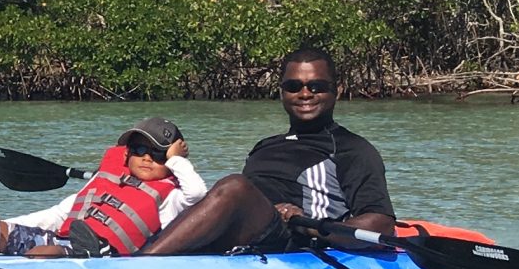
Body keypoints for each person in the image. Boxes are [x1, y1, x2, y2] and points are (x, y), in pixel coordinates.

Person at [140, 47, 395, 257]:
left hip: (291, 240)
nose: (305, 94)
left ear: (335, 91)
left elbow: (380, 224)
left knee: (234, 186)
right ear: (282, 92)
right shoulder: (265, 146)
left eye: (316, 86)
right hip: (244, 232)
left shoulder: (352, 149)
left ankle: (143, 263)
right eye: (294, 86)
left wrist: (310, 226)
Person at [0, 117, 207, 258]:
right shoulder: (106, 179)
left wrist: (176, 160)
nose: (147, 158)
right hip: (61, 237)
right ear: (127, 154)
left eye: (158, 154)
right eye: (139, 150)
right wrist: (10, 225)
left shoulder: (170, 197)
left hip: (99, 257)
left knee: (42, 253)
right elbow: (60, 215)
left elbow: (197, 193)